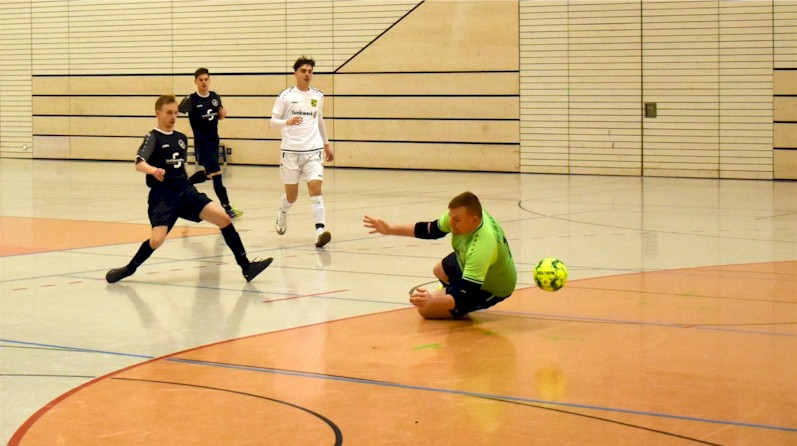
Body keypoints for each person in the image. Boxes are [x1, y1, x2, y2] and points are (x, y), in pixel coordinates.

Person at [106, 95, 272, 284]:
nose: (173, 116)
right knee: (156, 241)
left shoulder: (181, 139)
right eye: (169, 112)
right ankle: (129, 269)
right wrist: (154, 170)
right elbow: (139, 163)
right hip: (163, 197)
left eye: (176, 113)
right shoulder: (152, 137)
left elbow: (181, 172)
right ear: (157, 113)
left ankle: (246, 267)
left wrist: (200, 177)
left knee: (224, 219)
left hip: (186, 192)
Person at [363, 192, 517, 319]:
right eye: (451, 217)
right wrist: (390, 229)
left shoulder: (482, 247)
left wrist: (434, 300)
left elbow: (467, 294)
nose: (451, 223)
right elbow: (430, 230)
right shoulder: (465, 216)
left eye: (456, 220)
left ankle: (456, 305)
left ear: (474, 220)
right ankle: (450, 296)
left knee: (425, 310)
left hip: (491, 287)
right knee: (439, 270)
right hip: (471, 265)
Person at [270, 56, 334, 248]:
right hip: (290, 152)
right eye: (303, 71)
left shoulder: (318, 96)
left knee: (315, 188)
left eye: (310, 71)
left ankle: (320, 231)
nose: (307, 74)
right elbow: (272, 122)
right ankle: (282, 213)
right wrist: (286, 122)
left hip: (313, 151)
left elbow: (319, 120)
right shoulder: (285, 96)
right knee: (292, 196)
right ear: (295, 73)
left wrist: (326, 143)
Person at [178, 68, 242, 219]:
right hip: (202, 144)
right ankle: (227, 207)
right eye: (200, 80)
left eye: (206, 79)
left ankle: (183, 185)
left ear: (209, 80)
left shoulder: (214, 97)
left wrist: (222, 114)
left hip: (214, 141)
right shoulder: (191, 99)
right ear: (195, 81)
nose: (204, 82)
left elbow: (219, 113)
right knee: (217, 175)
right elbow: (177, 110)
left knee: (209, 174)